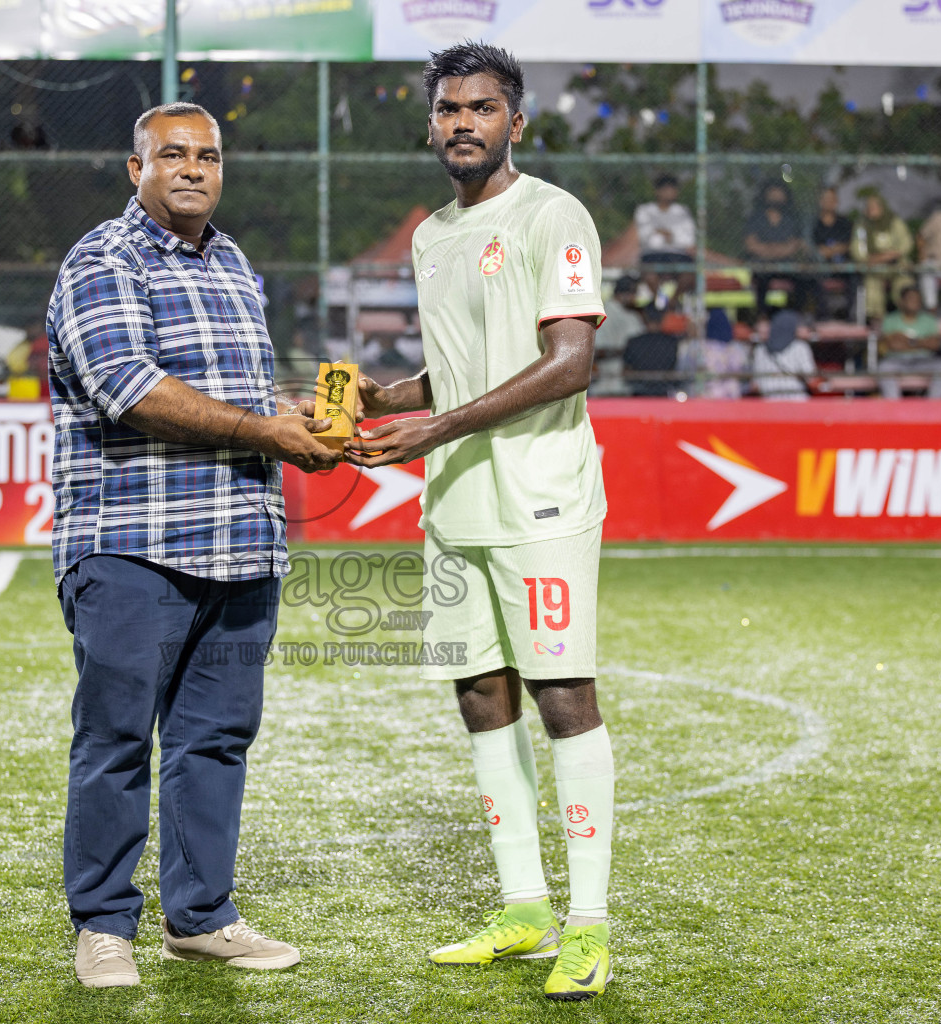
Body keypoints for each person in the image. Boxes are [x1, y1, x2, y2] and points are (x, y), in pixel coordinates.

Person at [48, 101, 339, 990]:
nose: (192, 169)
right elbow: (129, 388)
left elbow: (236, 393)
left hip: (240, 542)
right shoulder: (104, 258)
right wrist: (265, 432)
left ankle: (201, 917)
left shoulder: (233, 260)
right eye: (172, 154)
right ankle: (104, 926)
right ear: (134, 168)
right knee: (116, 738)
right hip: (132, 541)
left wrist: (292, 417)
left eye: (207, 156)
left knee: (214, 740)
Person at [347, 42, 616, 1003]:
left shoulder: (552, 214)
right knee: (479, 696)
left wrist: (440, 425)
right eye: (449, 108)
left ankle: (589, 926)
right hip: (457, 500)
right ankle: (524, 908)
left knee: (563, 697)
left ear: (516, 122)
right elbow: (461, 367)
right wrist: (389, 399)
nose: (464, 122)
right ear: (430, 125)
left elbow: (570, 361)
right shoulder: (432, 234)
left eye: (483, 107)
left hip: (541, 498)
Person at [878, 285, 941, 400]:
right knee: (883, 368)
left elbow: (934, 345)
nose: (915, 302)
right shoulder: (890, 320)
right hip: (897, 361)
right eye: (911, 298)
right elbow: (893, 345)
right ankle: (893, 406)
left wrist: (907, 341)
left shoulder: (929, 320)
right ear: (901, 301)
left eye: (917, 299)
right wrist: (922, 342)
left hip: (924, 361)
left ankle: (933, 405)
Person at [743, 180, 808, 314]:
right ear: (766, 195)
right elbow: (751, 245)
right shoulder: (756, 218)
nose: (776, 197)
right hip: (762, 263)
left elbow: (794, 245)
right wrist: (773, 251)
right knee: (761, 279)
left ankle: (798, 314)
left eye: (779, 193)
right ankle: (762, 315)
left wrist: (773, 250)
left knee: (804, 278)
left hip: (786, 264)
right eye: (773, 193)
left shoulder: (791, 219)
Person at [850, 189, 913, 322]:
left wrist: (884, 257)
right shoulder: (861, 225)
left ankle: (905, 321)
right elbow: (858, 251)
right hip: (874, 270)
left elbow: (906, 244)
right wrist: (879, 258)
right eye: (869, 207)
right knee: (871, 287)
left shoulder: (894, 221)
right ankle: (876, 322)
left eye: (875, 206)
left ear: (882, 207)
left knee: (904, 286)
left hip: (896, 267)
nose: (871, 209)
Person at [634, 173, 695, 308]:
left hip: (677, 254)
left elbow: (688, 240)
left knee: (689, 274)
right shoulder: (645, 210)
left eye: (673, 189)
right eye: (666, 189)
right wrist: (670, 235)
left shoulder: (683, 211)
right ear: (658, 191)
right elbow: (645, 238)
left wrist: (662, 233)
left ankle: (672, 302)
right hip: (653, 254)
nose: (670, 192)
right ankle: (662, 301)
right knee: (649, 274)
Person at [678, 309, 748, 399]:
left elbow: (683, 370)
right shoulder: (737, 348)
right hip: (730, 396)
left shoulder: (698, 347)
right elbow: (745, 374)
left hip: (705, 395)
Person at [590, 277, 641, 397]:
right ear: (624, 294)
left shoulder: (630, 315)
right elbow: (597, 351)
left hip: (618, 381)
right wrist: (625, 351)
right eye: (633, 294)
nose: (635, 298)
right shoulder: (625, 316)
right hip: (608, 380)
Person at [751, 308, 816, 400]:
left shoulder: (760, 349)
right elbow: (812, 381)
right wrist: (828, 383)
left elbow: (755, 385)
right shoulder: (799, 347)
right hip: (796, 401)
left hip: (769, 402)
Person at [811, 187, 855, 319]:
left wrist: (830, 250)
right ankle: (823, 317)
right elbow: (812, 246)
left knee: (855, 278)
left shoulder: (845, 223)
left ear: (836, 202)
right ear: (820, 201)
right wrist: (832, 250)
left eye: (832, 199)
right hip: (820, 266)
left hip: (842, 266)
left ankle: (850, 317)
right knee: (813, 279)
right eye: (826, 199)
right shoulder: (813, 223)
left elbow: (849, 244)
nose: (829, 202)